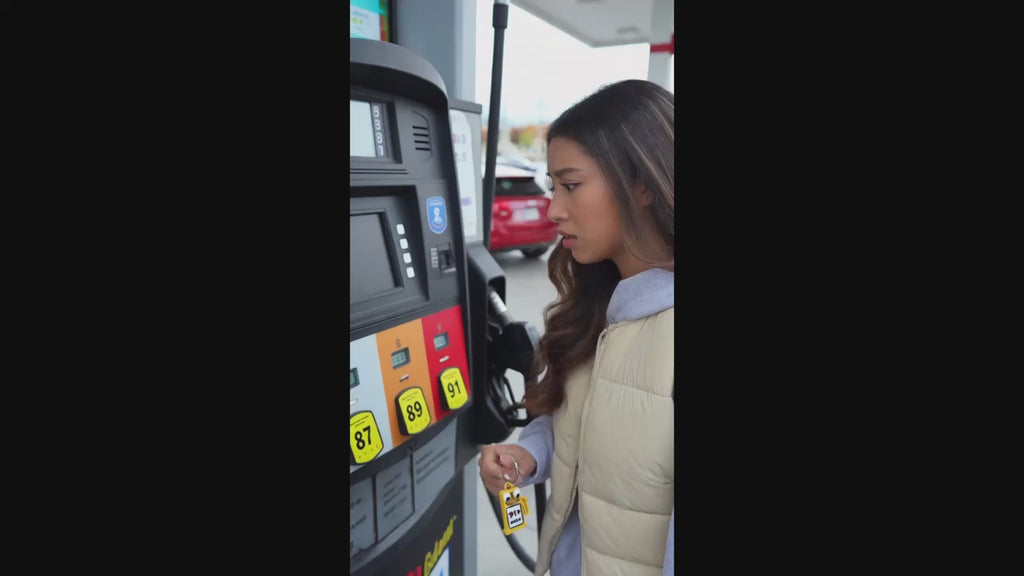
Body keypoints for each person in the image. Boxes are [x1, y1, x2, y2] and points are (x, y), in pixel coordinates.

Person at [478, 79, 675, 576]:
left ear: (644, 184)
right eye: (552, 187)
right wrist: (527, 454)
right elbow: (584, 419)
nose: (552, 209)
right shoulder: (601, 307)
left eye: (571, 185)